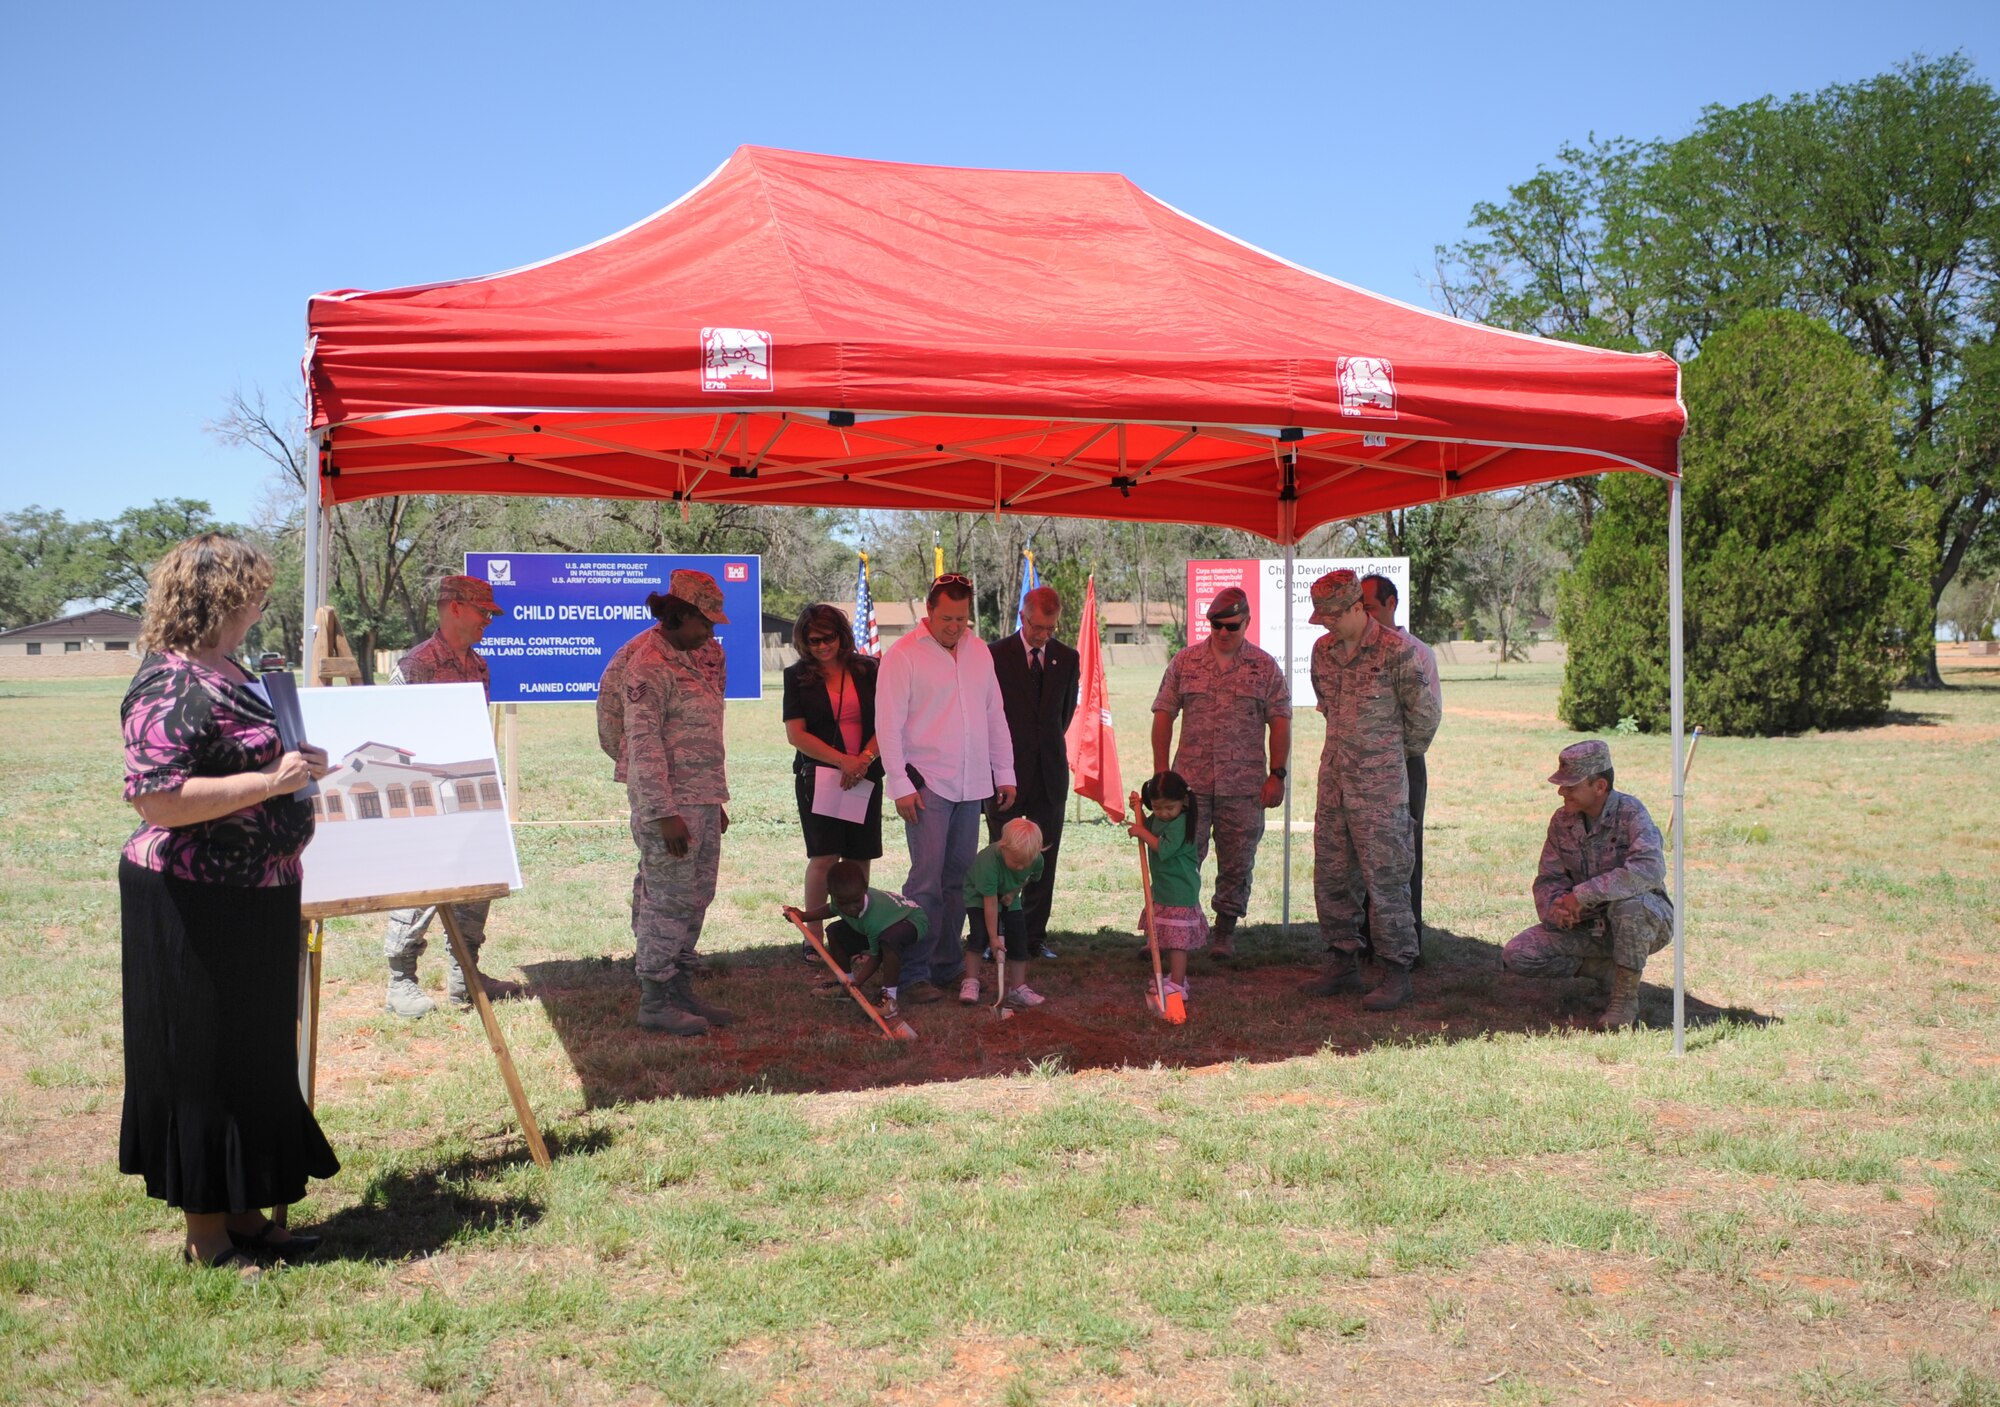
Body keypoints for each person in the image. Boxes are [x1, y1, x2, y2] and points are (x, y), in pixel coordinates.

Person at [117, 532, 338, 1275]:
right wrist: (272, 783)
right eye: (254, 587)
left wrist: (301, 766)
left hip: (260, 892)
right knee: (202, 1061)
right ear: (219, 596)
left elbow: (260, 757)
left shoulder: (236, 669)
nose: (262, 599)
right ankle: (207, 1234)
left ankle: (249, 1213)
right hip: (193, 899)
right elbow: (158, 799)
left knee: (254, 1053)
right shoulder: (170, 683)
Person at [380, 574, 524, 1018]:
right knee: (422, 884)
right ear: (456, 607)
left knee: (476, 883)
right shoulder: (416, 666)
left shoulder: (478, 666)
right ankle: (400, 980)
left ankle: (466, 978)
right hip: (427, 794)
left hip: (472, 790)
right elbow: (394, 739)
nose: (489, 621)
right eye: (484, 612)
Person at [1299, 570, 1442, 1012]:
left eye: (1333, 616)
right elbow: (1327, 706)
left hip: (1380, 791)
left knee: (1387, 881)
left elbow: (1424, 721)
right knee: (1332, 876)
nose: (1325, 625)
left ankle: (1397, 972)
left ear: (1358, 608)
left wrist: (1384, 760)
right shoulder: (1322, 653)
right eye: (1320, 617)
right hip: (1335, 784)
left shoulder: (1400, 654)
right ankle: (1342, 961)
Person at [875, 574, 1016, 1004]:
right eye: (947, 618)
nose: (956, 626)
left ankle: (947, 964)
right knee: (925, 884)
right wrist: (899, 784)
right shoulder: (903, 656)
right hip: (927, 786)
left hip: (971, 785)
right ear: (929, 611)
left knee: (959, 882)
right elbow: (888, 725)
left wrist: (1004, 772)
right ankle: (914, 972)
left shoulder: (979, 652)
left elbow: (995, 715)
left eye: (962, 618)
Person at [622, 570, 737, 1036]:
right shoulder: (649, 665)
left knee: (695, 898)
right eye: (704, 623)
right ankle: (655, 998)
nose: (711, 632)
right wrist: (663, 812)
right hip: (669, 808)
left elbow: (705, 735)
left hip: (702, 799)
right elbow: (642, 743)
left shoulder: (701, 657)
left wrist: (713, 800)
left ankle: (680, 987)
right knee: (666, 902)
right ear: (678, 615)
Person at [1149, 585, 1291, 957]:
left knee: (1237, 862)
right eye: (1216, 626)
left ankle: (1224, 932)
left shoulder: (1264, 667)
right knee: (1177, 857)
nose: (1224, 633)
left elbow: (1280, 722)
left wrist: (1277, 774)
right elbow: (1164, 714)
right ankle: (1169, 930)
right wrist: (1161, 774)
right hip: (1189, 789)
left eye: (1232, 626)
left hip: (1244, 787)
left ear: (1247, 622)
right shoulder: (1186, 662)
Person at [1502, 740, 1673, 1030]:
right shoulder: (1562, 821)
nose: (1561, 791)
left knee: (1629, 906)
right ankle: (1610, 971)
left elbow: (1649, 869)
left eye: (1570, 785)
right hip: (1587, 927)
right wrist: (1557, 908)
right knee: (1519, 953)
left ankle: (1624, 1000)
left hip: (1644, 922)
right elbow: (1549, 879)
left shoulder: (1631, 813)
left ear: (1600, 786)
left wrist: (1582, 895)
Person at [782, 605, 884, 959]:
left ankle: (855, 933)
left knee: (859, 857)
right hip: (820, 777)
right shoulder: (796, 676)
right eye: (814, 641)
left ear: (842, 636)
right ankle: (814, 940)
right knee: (824, 857)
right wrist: (844, 762)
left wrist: (864, 760)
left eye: (829, 638)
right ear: (803, 643)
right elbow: (796, 734)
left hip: (866, 774)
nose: (822, 646)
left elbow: (888, 722)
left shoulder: (870, 669)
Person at [987, 585, 1079, 959]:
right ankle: (996, 938)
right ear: (1022, 616)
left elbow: (1064, 715)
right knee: (1001, 855)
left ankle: (1034, 937)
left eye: (1050, 628)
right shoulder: (993, 655)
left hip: (1049, 775)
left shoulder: (1067, 658)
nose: (1043, 635)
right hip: (1006, 773)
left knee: (1043, 857)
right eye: (1038, 626)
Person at [1360, 574, 1440, 936]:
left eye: (1371, 608)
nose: (1365, 616)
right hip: (1357, 763)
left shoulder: (1417, 652)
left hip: (1403, 764)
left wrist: (1392, 755)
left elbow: (1427, 717)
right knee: (1357, 852)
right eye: (1359, 609)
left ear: (1392, 604)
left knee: (1403, 853)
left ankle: (1406, 941)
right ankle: (1361, 938)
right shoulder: (1350, 651)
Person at [784, 860, 928, 1023]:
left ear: (865, 889)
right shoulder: (843, 899)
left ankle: (889, 999)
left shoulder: (875, 920)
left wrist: (859, 981)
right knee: (834, 932)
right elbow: (831, 909)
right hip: (882, 923)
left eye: (856, 901)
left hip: (911, 920)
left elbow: (876, 956)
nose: (851, 908)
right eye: (844, 903)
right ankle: (845, 982)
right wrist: (803, 916)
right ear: (831, 893)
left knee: (888, 940)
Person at [1127, 772, 1207, 1003]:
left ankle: (1178, 984)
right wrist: (1139, 811)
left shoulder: (1181, 823)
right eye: (1157, 808)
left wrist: (1141, 833)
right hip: (1164, 889)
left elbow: (1163, 848)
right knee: (1168, 936)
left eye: (1168, 808)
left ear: (1183, 801)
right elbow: (1147, 826)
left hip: (1180, 892)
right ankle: (1174, 977)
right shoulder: (1161, 818)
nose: (1162, 813)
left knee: (1177, 942)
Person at [962, 817, 1047, 1008]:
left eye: (1024, 864)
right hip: (980, 896)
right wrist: (994, 938)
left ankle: (1017, 988)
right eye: (1016, 862)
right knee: (980, 935)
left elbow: (1030, 877)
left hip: (1009, 895)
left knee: (1018, 938)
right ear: (1003, 847)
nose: (1019, 867)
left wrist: (1014, 892)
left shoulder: (1035, 859)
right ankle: (970, 982)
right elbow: (990, 902)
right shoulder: (989, 861)